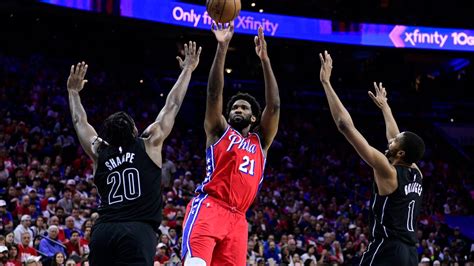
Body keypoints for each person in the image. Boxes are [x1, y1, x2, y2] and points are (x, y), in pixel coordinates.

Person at [67, 41, 201, 265]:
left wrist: (73, 92)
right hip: (137, 231)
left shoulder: (99, 151)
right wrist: (187, 69)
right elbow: (173, 104)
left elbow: (80, 121)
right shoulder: (149, 143)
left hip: (104, 231)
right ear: (134, 129)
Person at [182, 22, 280, 265]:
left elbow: (275, 105)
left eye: (243, 108)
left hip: (238, 220)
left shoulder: (261, 142)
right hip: (210, 207)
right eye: (234, 107)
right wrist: (222, 46)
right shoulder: (219, 130)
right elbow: (214, 94)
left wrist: (265, 60)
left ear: (253, 117)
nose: (237, 109)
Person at [319, 51, 425, 266]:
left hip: (388, 249)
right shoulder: (417, 172)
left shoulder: (388, 171)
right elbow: (395, 136)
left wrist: (326, 83)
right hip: (411, 254)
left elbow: (344, 126)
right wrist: (385, 107)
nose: (390, 141)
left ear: (401, 153)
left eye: (395, 142)